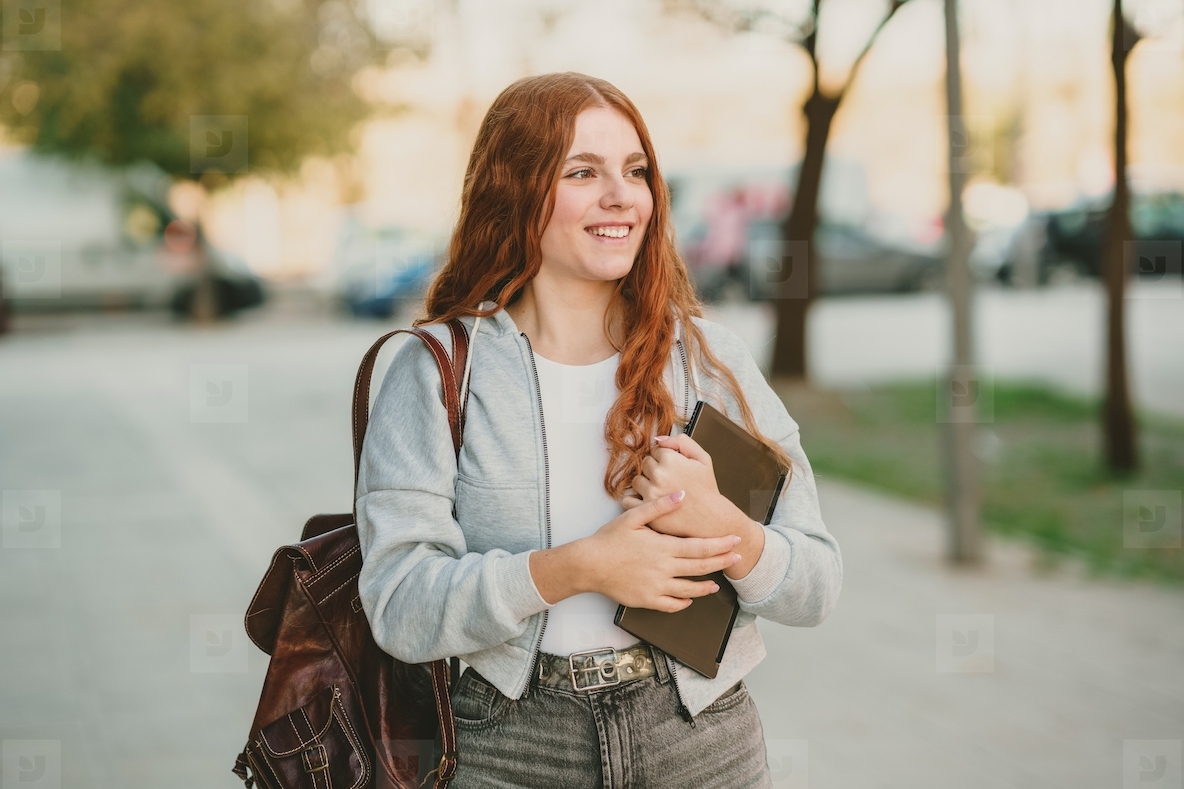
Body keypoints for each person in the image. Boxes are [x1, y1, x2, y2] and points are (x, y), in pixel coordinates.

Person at [355, 72, 842, 789]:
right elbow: (399, 605)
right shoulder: (435, 374)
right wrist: (579, 566)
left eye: (636, 171)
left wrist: (727, 528)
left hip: (700, 739)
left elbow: (818, 584)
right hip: (510, 744)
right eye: (583, 172)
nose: (623, 196)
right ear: (516, 189)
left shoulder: (707, 361)